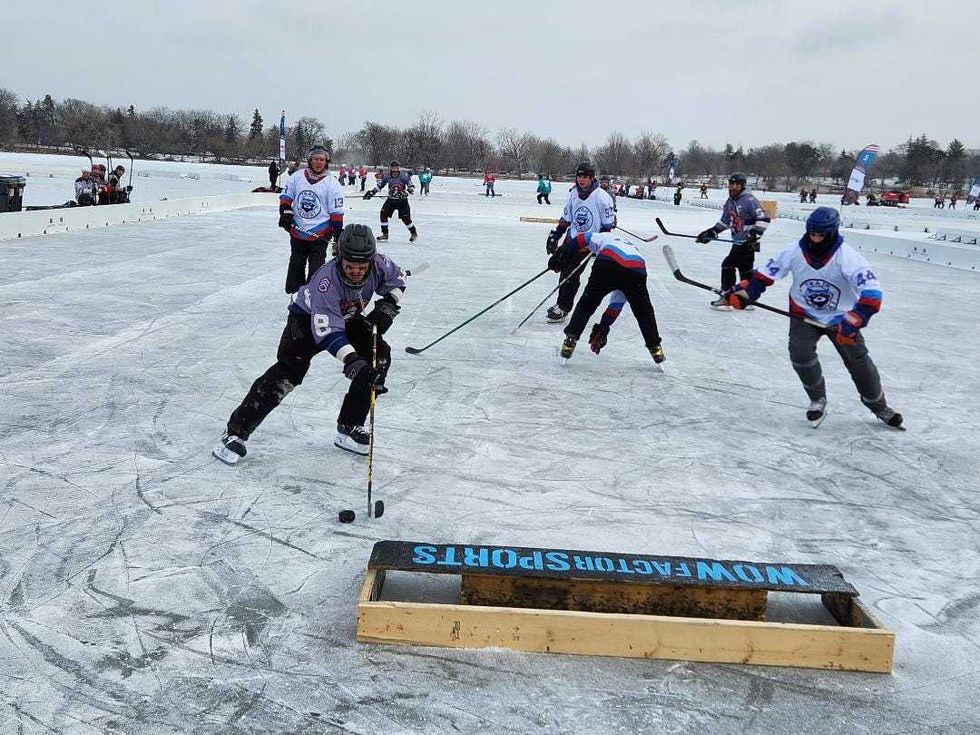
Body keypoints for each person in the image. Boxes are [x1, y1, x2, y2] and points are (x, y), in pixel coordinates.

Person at [212, 224, 407, 464]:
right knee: (287, 374)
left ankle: (350, 425)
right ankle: (234, 433)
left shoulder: (380, 263)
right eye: (349, 265)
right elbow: (327, 333)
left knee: (378, 358)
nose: (355, 271)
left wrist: (389, 304)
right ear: (339, 257)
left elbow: (399, 281)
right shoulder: (326, 282)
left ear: (371, 260)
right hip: (306, 320)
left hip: (347, 316)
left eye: (361, 266)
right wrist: (351, 359)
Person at [722, 207, 902, 429]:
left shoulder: (848, 257)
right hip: (803, 312)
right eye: (812, 233)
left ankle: (878, 405)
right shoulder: (794, 251)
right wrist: (745, 293)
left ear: (832, 233)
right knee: (799, 354)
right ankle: (817, 399)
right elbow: (763, 276)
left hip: (841, 318)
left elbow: (872, 295)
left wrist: (856, 318)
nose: (815, 239)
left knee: (859, 362)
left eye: (821, 235)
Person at [549, 230, 665, 365]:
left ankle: (571, 339)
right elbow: (616, 304)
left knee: (587, 304)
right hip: (636, 268)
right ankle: (655, 349)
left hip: (607, 261)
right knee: (644, 312)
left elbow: (582, 238)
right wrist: (604, 326)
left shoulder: (603, 236)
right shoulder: (632, 247)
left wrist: (563, 253)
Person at [543, 160, 616, 322]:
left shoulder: (602, 197)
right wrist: (556, 234)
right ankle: (561, 304)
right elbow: (567, 218)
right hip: (571, 239)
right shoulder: (574, 193)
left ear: (591, 178)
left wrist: (601, 248)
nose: (581, 179)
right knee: (562, 268)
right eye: (579, 176)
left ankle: (563, 307)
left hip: (588, 243)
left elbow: (607, 227)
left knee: (571, 273)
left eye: (585, 177)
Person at [695, 172, 771, 309]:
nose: (733, 187)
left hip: (747, 243)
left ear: (742, 186)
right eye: (731, 184)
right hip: (737, 242)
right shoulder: (730, 202)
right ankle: (746, 299)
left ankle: (726, 298)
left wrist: (754, 235)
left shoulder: (749, 200)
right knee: (745, 270)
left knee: (727, 265)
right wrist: (711, 232)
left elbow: (764, 218)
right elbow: (725, 221)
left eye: (737, 184)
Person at [278, 144, 345, 294]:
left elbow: (336, 211)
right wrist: (286, 212)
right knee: (296, 263)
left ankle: (313, 298)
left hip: (320, 232)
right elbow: (286, 196)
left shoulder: (332, 183)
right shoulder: (297, 177)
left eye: (322, 159)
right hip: (298, 230)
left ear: (326, 162)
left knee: (316, 268)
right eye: (315, 159)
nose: (318, 162)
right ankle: (295, 295)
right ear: (310, 160)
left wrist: (338, 232)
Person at [363, 160, 418, 242]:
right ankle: (385, 234)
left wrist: (405, 193)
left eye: (396, 168)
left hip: (402, 201)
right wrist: (372, 192)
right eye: (393, 168)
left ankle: (414, 233)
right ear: (391, 168)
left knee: (406, 219)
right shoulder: (387, 176)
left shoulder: (404, 175)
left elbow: (412, 187)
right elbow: (380, 185)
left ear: (398, 168)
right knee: (383, 214)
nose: (395, 170)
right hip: (391, 200)